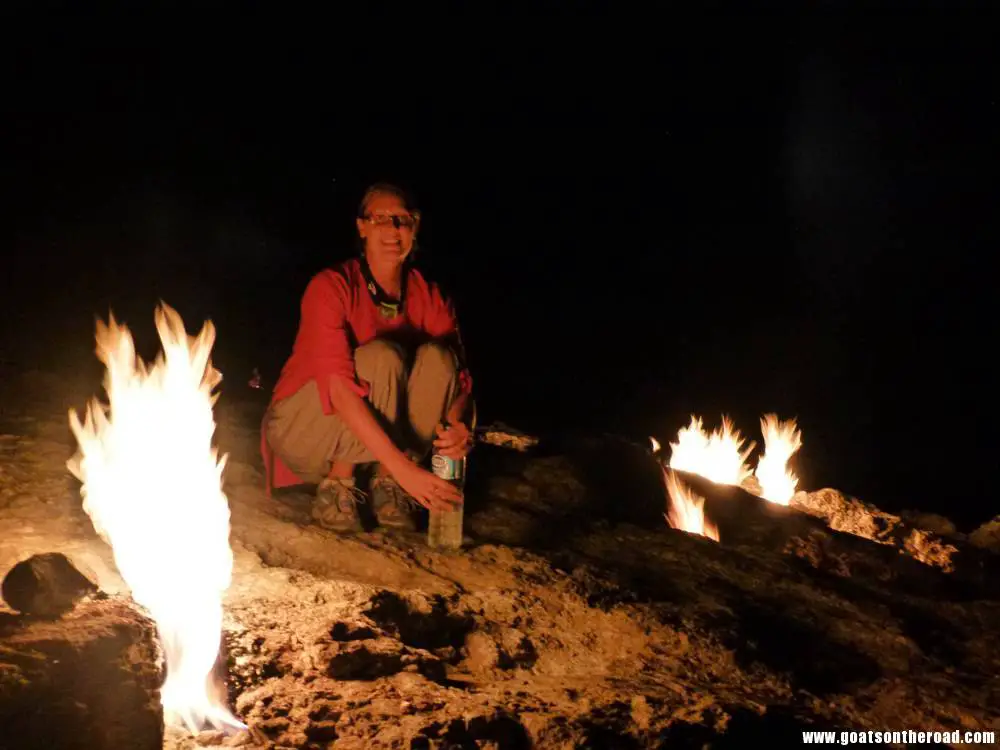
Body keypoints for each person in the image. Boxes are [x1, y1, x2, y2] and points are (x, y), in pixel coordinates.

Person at [260, 182, 475, 532]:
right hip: (307, 432)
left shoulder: (431, 297)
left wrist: (457, 426)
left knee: (439, 357)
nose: (393, 230)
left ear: (414, 227)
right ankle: (338, 484)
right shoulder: (331, 286)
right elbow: (339, 389)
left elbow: (461, 380)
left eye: (402, 220)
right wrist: (409, 471)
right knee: (382, 355)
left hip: (379, 446)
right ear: (362, 227)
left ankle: (387, 485)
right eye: (380, 219)